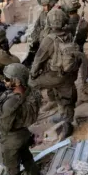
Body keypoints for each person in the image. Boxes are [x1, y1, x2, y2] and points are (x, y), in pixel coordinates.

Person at [30, 8, 82, 137]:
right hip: (70, 74)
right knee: (66, 96)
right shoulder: (69, 34)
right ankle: (67, 122)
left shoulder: (49, 39)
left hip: (55, 76)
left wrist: (33, 74)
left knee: (31, 83)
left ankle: (32, 112)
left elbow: (38, 59)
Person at [24, 0, 58, 67]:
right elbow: (37, 27)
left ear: (51, 4)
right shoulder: (43, 14)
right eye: (43, 6)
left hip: (50, 45)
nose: (43, 8)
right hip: (40, 42)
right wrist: (34, 40)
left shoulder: (57, 16)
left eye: (45, 6)